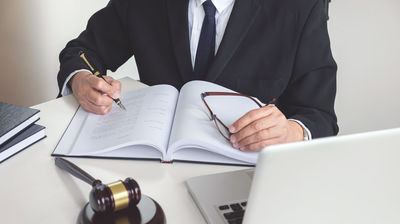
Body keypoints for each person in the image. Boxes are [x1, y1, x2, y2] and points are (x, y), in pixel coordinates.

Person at [57, 0, 338, 152]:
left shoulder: (301, 6)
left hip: (251, 176)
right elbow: (83, 51)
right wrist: (81, 79)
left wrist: (289, 132)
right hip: (155, 167)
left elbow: (320, 115)